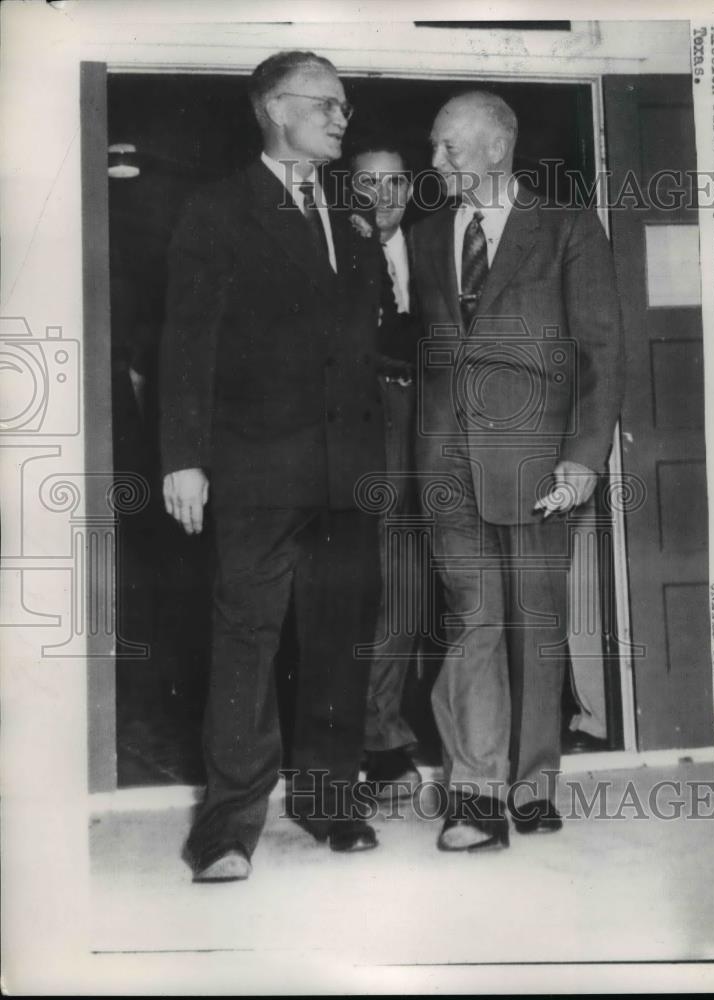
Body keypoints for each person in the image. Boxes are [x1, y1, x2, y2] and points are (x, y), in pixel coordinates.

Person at [159, 50, 389, 881]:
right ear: (274, 109)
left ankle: (331, 802)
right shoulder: (216, 210)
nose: (341, 119)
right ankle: (225, 829)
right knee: (246, 641)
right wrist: (182, 458)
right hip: (253, 470)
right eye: (326, 105)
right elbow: (186, 344)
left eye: (344, 107)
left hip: (346, 472)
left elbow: (369, 347)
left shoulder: (354, 218)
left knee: (339, 640)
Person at [412, 91, 624, 851]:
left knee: (533, 624)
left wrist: (582, 458)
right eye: (434, 149)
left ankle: (531, 785)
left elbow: (600, 351)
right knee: (470, 620)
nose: (434, 163)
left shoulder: (566, 227)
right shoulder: (428, 233)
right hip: (445, 461)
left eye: (448, 149)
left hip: (538, 462)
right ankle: (474, 794)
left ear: (496, 149)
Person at [348, 139, 422, 799]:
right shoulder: (332, 251)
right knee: (356, 588)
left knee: (406, 587)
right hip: (357, 438)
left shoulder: (433, 250)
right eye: (368, 184)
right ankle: (364, 736)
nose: (383, 196)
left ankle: (384, 730)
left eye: (395, 182)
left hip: (431, 431)